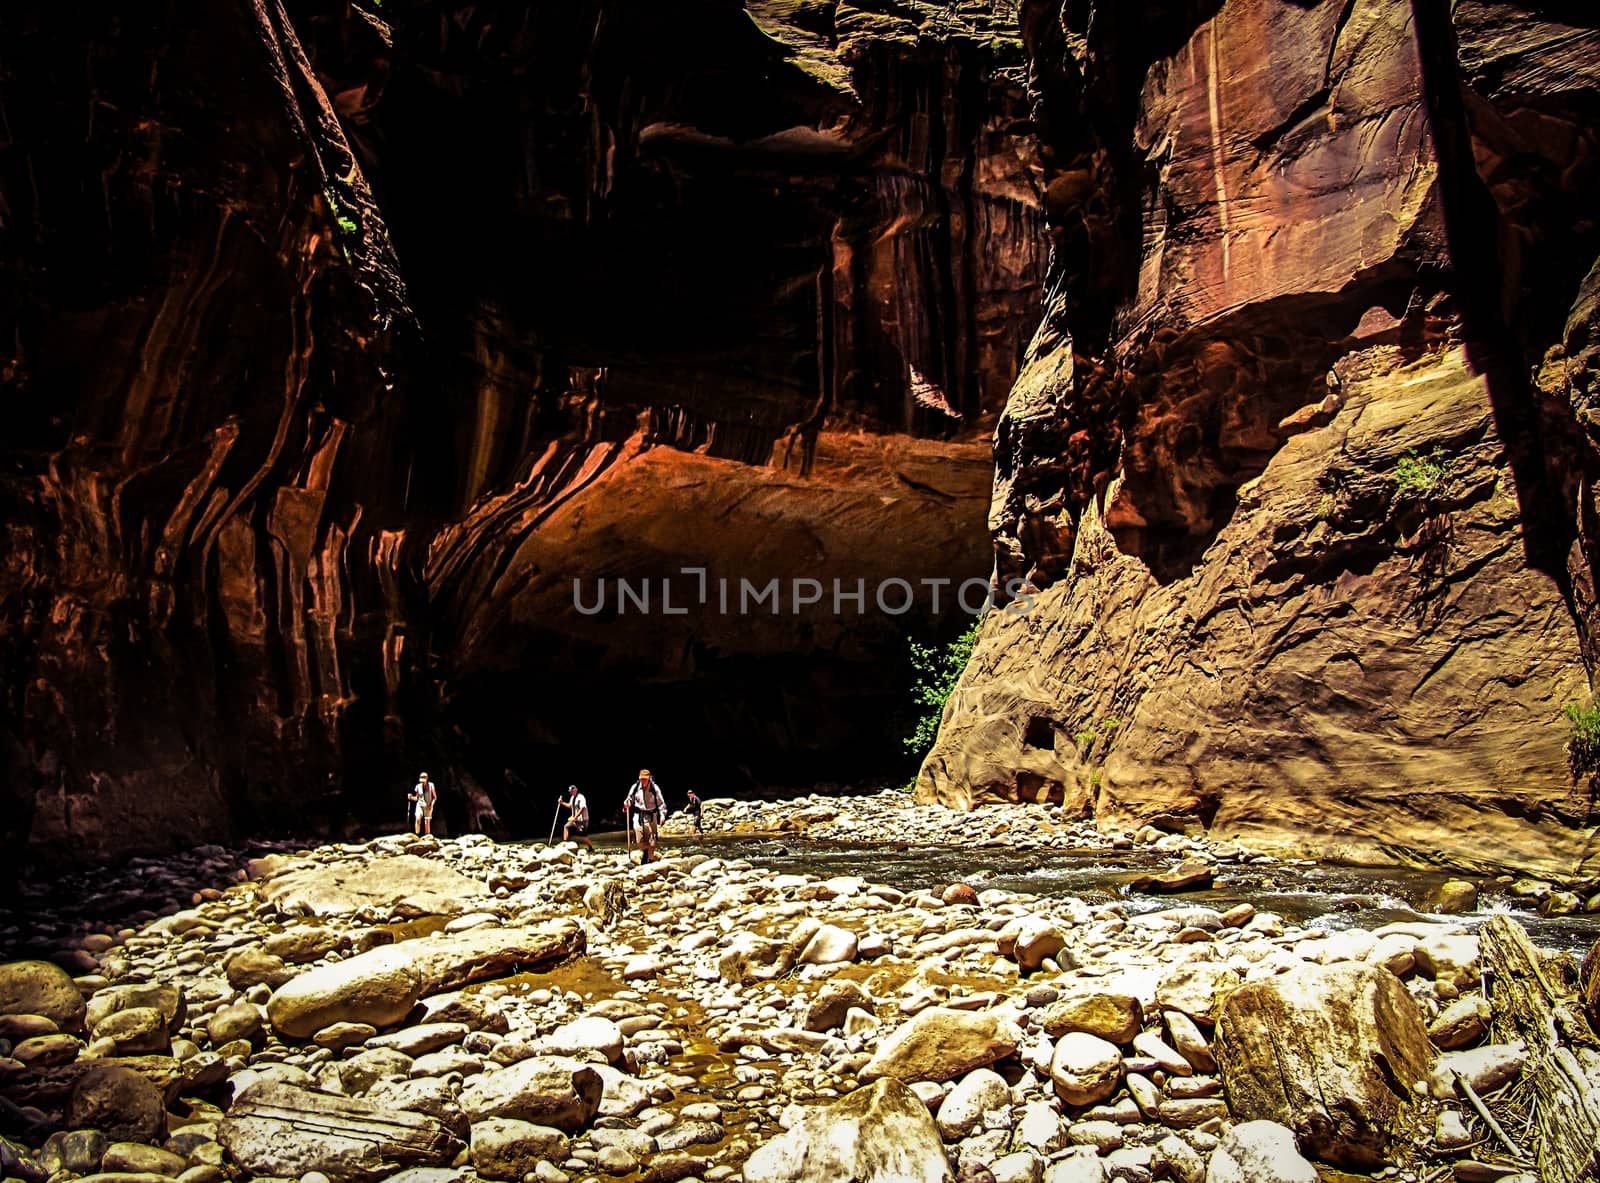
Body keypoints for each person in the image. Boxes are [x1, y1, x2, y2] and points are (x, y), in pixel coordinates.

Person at [623, 769, 666, 863]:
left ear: (649, 778)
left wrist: (662, 815)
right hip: (638, 816)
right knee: (639, 841)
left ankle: (650, 860)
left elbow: (661, 803)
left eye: (645, 779)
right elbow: (630, 799)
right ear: (639, 778)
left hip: (651, 816)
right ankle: (646, 851)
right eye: (642, 779)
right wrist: (627, 804)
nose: (643, 781)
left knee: (652, 840)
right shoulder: (635, 787)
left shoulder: (655, 788)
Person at [559, 784, 594, 851]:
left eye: (572, 791)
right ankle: (565, 844)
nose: (570, 792)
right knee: (566, 826)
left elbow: (582, 808)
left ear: (575, 790)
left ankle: (591, 847)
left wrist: (575, 817)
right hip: (574, 819)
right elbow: (570, 806)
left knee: (583, 835)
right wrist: (562, 803)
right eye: (570, 791)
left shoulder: (581, 797)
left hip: (582, 819)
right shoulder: (572, 798)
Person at [411, 772, 437, 836]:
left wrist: (431, 805)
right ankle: (416, 835)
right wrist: (411, 797)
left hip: (428, 805)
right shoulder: (418, 786)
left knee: (427, 822)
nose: (423, 779)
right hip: (420, 804)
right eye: (421, 777)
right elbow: (416, 798)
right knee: (417, 818)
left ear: (427, 778)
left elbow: (435, 797)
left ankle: (427, 836)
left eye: (424, 777)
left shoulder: (431, 785)